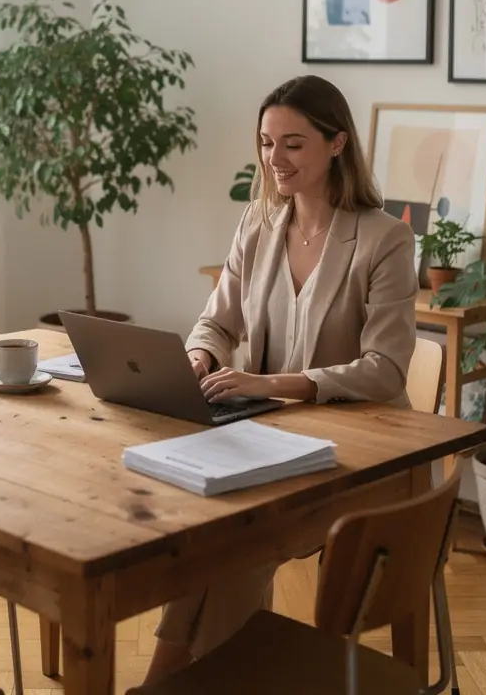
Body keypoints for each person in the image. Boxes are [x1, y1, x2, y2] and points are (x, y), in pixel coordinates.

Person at [143, 74, 418, 684]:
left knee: (237, 543)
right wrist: (200, 360)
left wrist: (269, 386)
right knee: (210, 534)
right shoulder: (259, 223)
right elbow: (214, 322)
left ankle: (170, 684)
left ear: (337, 142)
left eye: (293, 143)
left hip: (361, 458)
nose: (275, 159)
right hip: (267, 441)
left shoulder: (385, 239)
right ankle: (172, 686)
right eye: (267, 143)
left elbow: (386, 369)